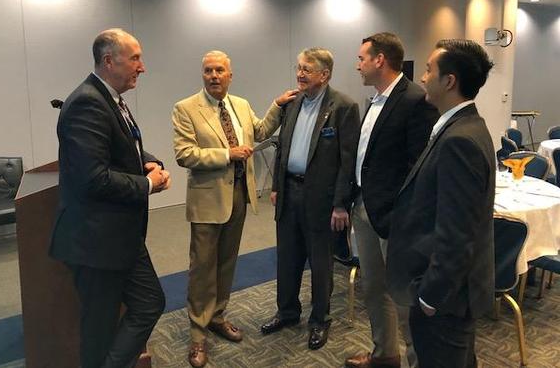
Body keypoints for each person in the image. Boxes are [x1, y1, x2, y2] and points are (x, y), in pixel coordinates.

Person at [49, 28, 170, 368]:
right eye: (135, 58)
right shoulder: (87, 102)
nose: (142, 67)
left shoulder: (110, 98)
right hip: (95, 241)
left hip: (121, 236)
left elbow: (124, 144)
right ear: (108, 60)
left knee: (149, 303)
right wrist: (147, 184)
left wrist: (150, 160)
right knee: (98, 329)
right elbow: (92, 179)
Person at [172, 50, 297, 367]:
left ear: (230, 75)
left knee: (226, 263)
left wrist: (277, 105)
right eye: (208, 71)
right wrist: (227, 154)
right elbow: (184, 154)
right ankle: (198, 334)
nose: (213, 76)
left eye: (219, 71)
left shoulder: (239, 105)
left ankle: (217, 316)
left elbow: (259, 131)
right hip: (207, 200)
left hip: (239, 196)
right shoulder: (186, 108)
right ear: (203, 75)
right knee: (202, 268)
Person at [386, 39, 496, 368]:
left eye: (429, 69)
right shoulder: (463, 126)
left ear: (449, 81)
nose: (421, 77)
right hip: (450, 294)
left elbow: (457, 233)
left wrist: (429, 296)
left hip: (445, 300)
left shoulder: (459, 139)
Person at [345, 33, 438, 368]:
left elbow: (419, 166)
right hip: (365, 208)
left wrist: (403, 214)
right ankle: (384, 354)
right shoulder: (375, 99)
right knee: (374, 288)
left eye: (361, 59)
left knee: (403, 296)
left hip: (395, 217)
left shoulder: (415, 99)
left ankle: (418, 361)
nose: (358, 65)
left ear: (379, 60)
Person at [260, 47, 360, 351]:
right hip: (290, 192)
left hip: (323, 199)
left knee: (320, 263)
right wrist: (277, 186)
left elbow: (348, 160)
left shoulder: (343, 106)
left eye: (307, 69)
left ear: (324, 74)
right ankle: (288, 312)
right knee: (287, 257)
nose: (300, 74)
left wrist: (341, 203)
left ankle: (320, 320)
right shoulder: (293, 102)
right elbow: (283, 149)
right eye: (299, 67)